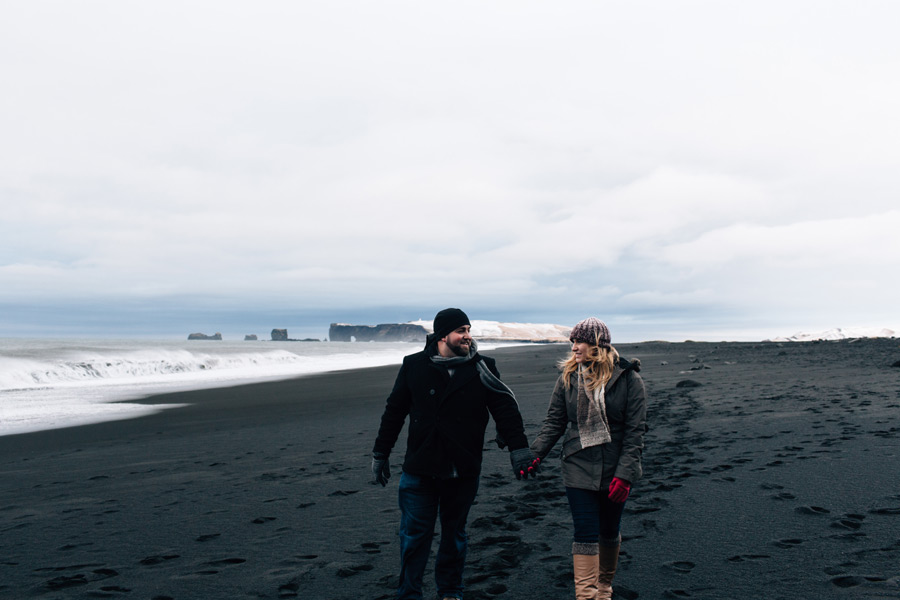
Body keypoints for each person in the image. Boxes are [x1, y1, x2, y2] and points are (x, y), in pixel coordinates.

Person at [372, 308, 540, 600]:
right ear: (442, 335)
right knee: (413, 538)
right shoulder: (414, 365)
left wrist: (519, 449)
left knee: (454, 536)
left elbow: (505, 410)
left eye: (469, 329)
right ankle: (409, 594)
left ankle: (450, 592)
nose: (467, 336)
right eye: (461, 330)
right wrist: (380, 454)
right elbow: (394, 412)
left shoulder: (482, 367)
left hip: (462, 467)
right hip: (420, 469)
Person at [530, 317, 647, 600]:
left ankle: (604, 588)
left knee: (609, 530)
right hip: (577, 465)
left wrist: (625, 474)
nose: (573, 347)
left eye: (579, 341)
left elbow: (635, 434)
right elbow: (554, 423)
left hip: (614, 468)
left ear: (597, 345)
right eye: (571, 341)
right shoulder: (568, 378)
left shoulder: (629, 380)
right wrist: (534, 456)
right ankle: (586, 596)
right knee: (584, 532)